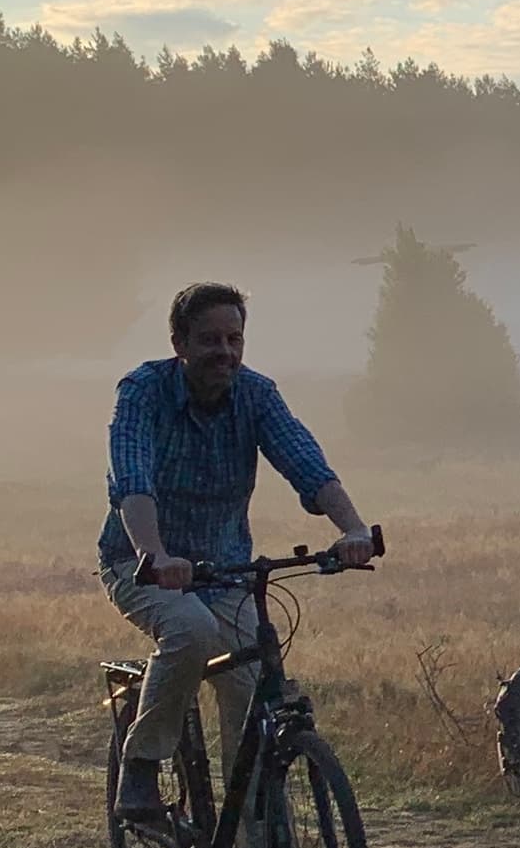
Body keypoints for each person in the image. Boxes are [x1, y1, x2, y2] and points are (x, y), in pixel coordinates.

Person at [105, 281, 380, 818]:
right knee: (191, 631)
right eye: (209, 340)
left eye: (235, 339)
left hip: (225, 568)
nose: (225, 353)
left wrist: (353, 529)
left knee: (253, 694)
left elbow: (306, 463)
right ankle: (141, 764)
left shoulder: (256, 395)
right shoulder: (143, 391)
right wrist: (156, 557)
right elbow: (131, 479)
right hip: (139, 563)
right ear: (178, 343)